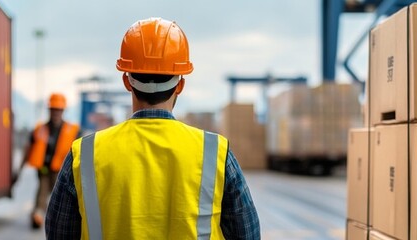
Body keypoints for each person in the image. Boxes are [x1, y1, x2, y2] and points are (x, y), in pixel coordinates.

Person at [45, 17, 260, 239]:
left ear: (127, 81)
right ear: (180, 85)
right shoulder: (214, 152)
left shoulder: (85, 154)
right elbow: (248, 234)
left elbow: (58, 233)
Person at [14, 93, 80, 229]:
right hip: (43, 169)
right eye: (53, 109)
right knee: (42, 191)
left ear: (63, 111)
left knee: (61, 196)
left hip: (62, 171)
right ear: (49, 110)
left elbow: (80, 152)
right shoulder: (39, 129)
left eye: (58, 109)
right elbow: (29, 149)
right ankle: (37, 214)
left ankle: (60, 220)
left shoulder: (73, 131)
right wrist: (19, 170)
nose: (56, 112)